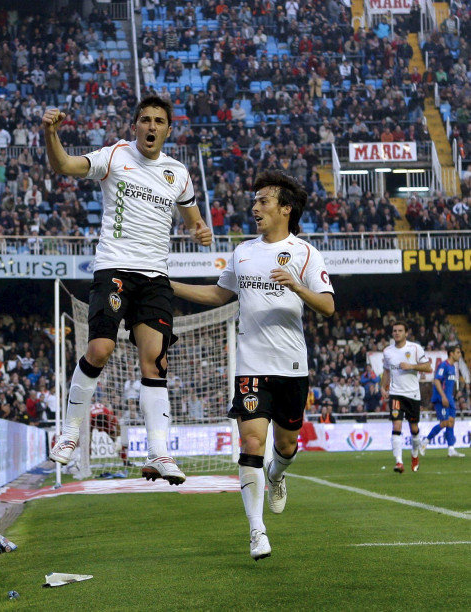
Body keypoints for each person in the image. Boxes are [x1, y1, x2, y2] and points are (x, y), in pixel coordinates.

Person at [41, 95, 212, 486]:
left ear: (169, 130)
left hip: (155, 277)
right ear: (134, 125)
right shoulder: (114, 156)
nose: (151, 127)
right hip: (114, 267)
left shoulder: (177, 173)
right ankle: (69, 432)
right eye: (145, 120)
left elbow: (193, 219)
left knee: (155, 361)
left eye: (158, 121)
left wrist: (199, 230)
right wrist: (51, 134)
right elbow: (64, 165)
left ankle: (159, 452)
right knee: (100, 348)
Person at [169, 170, 335, 560]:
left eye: (263, 201)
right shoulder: (242, 252)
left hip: (292, 365)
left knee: (286, 444)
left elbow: (328, 306)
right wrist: (170, 285)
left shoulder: (306, 253)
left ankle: (277, 476)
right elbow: (218, 293)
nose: (255, 207)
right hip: (251, 365)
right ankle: (256, 531)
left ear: (285, 209)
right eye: (255, 200)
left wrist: (296, 285)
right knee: (252, 443)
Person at [381, 320, 432, 473]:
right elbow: (387, 371)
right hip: (396, 394)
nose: (397, 333)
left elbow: (428, 367)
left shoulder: (415, 348)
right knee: (396, 425)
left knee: (414, 428)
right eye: (395, 330)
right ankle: (399, 462)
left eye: (400, 330)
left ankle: (415, 455)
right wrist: (383, 387)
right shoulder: (388, 351)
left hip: (413, 395)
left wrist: (411, 366)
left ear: (406, 333)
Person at [420, 344, 465, 458]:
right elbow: (437, 380)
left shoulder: (452, 367)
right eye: (458, 352)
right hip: (441, 399)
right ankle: (424, 442)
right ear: (451, 353)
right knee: (445, 422)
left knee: (451, 423)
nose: (459, 354)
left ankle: (451, 449)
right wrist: (443, 396)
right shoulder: (443, 365)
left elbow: (449, 384)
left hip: (449, 398)